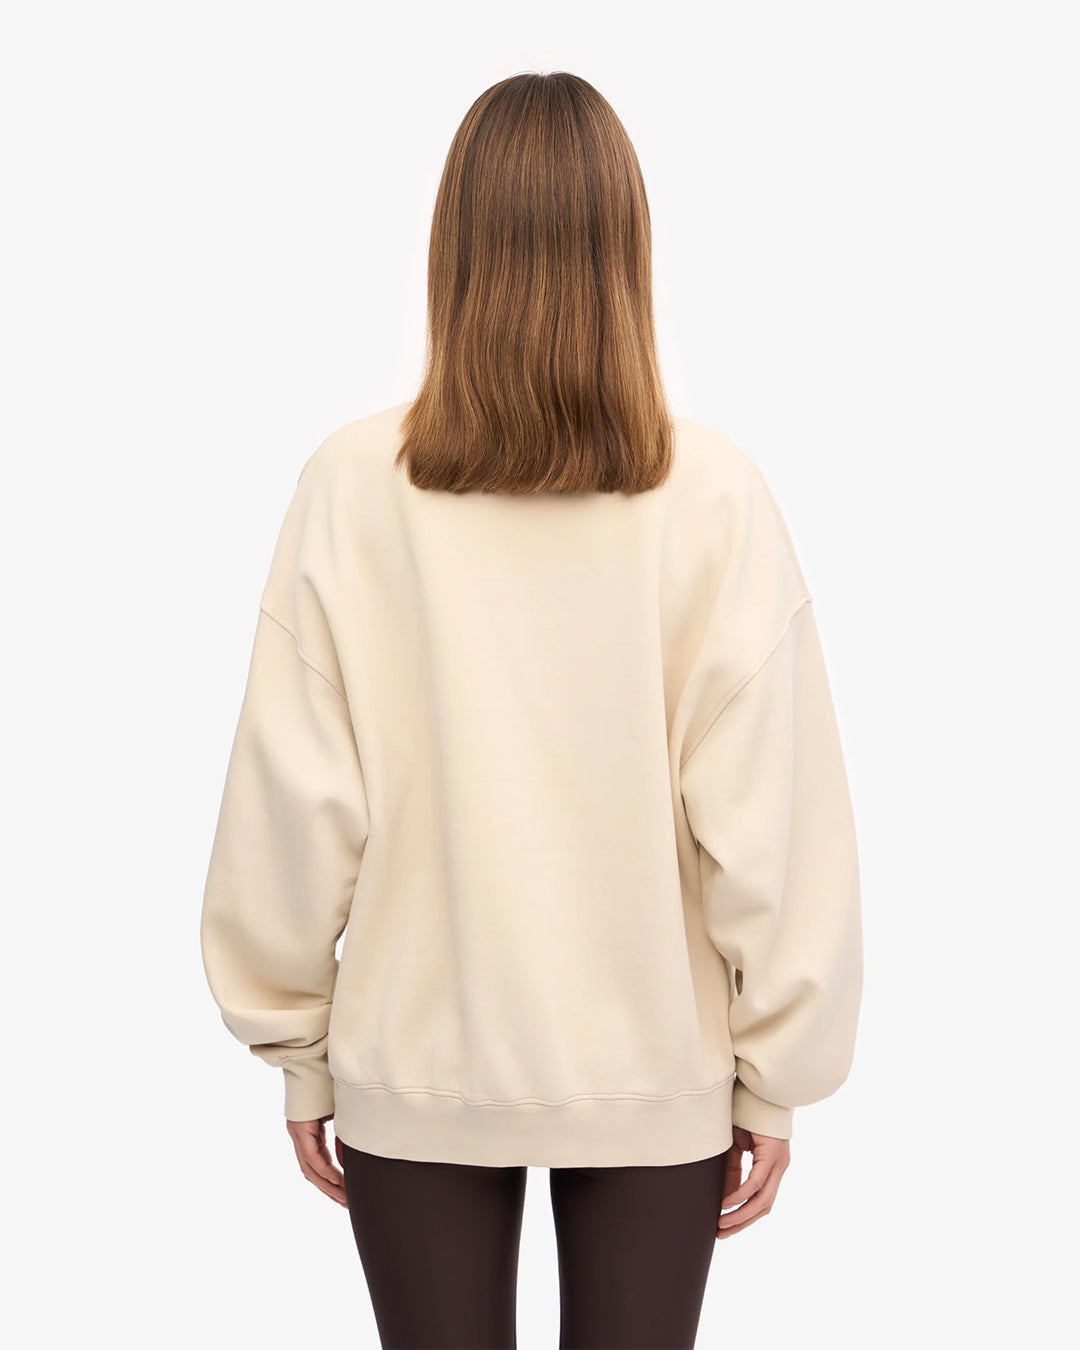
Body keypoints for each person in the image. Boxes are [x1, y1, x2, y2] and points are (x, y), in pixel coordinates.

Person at [199, 69, 863, 1350]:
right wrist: (776, 1076)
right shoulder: (715, 496)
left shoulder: (353, 486)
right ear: (628, 247)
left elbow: (293, 799)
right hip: (657, 1070)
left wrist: (297, 1044)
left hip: (415, 1063)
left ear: (454, 247)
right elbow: (775, 820)